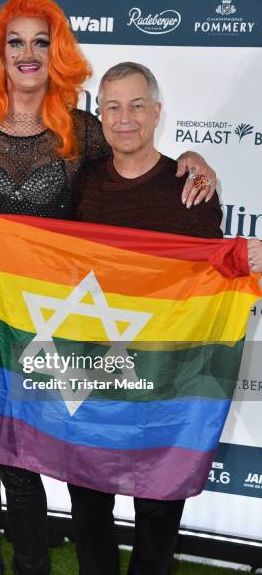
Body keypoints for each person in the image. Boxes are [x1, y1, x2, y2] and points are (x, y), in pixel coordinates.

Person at [0, 0, 219, 575]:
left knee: (34, 453)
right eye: (16, 41)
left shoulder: (78, 130)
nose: (28, 53)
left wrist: (194, 158)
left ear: (55, 53)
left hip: (68, 331)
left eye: (41, 41)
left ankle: (34, 562)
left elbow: (133, 169)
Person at [70, 61, 262, 575]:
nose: (124, 118)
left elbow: (208, 279)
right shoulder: (80, 184)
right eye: (112, 107)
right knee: (88, 505)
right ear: (101, 115)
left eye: (136, 105)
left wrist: (245, 256)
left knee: (157, 509)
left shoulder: (191, 188)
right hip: (93, 369)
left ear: (157, 113)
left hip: (165, 374)